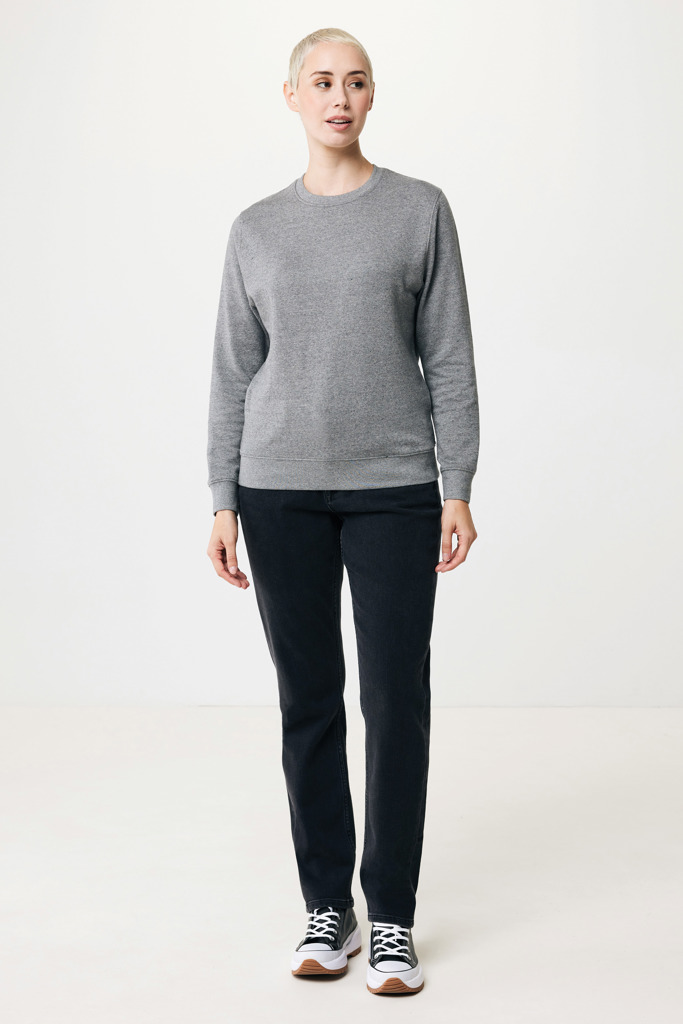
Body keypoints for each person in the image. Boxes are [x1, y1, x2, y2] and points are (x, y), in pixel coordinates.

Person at [206, 27, 479, 996]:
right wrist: (221, 497)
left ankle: (391, 913)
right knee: (308, 700)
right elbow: (232, 371)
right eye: (321, 81)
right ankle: (329, 904)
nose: (338, 97)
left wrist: (456, 483)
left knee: (395, 701)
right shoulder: (255, 229)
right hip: (276, 489)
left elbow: (448, 355)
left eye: (355, 82)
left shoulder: (418, 210)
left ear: (372, 97)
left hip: (394, 490)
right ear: (291, 95)